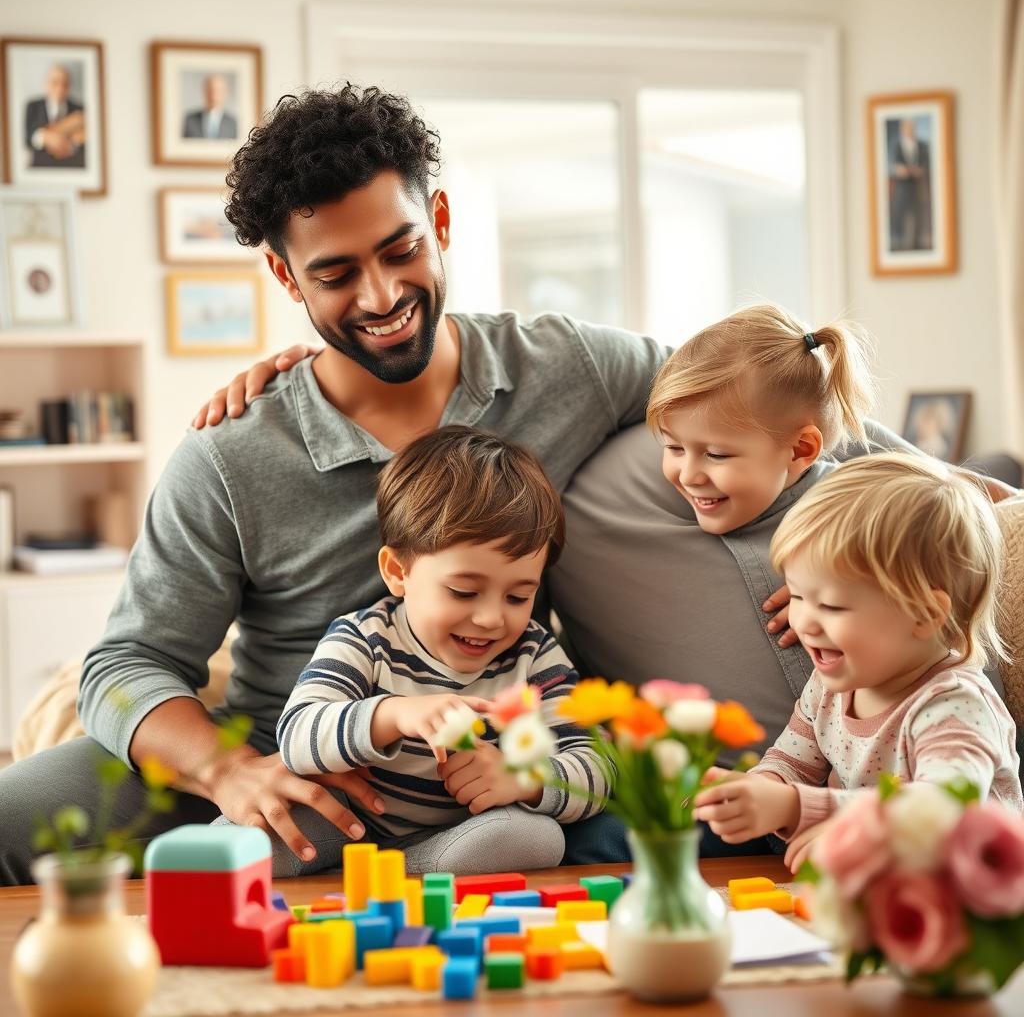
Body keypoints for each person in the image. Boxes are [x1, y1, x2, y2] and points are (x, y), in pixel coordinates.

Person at [0, 83, 663, 885]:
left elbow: (745, 388)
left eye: (400, 250)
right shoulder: (231, 452)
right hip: (284, 763)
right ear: (286, 277)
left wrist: (839, 529)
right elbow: (125, 664)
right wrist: (229, 772)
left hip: (477, 780)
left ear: (440, 222)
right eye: (336, 273)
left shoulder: (569, 369)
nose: (381, 297)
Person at [224, 425, 606, 876]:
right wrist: (393, 715)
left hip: (463, 837)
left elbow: (596, 769)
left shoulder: (535, 658)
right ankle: (362, 868)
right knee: (249, 837)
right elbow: (296, 736)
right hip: (350, 825)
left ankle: (396, 872)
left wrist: (524, 780)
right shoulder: (365, 638)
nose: (490, 618)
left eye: (518, 597)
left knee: (539, 839)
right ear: (397, 571)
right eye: (464, 592)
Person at [693, 453, 1023, 870]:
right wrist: (758, 790)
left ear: (923, 614)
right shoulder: (832, 685)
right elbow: (792, 759)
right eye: (796, 595)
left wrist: (801, 809)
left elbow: (941, 810)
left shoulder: (956, 705)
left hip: (968, 898)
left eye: (831, 605)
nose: (805, 621)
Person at [24, 64, 85, 169]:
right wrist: (46, 137)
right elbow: (28, 138)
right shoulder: (33, 106)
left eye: (64, 83)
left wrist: (69, 145)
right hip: (41, 167)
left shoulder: (80, 109)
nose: (60, 88)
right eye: (55, 82)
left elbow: (84, 141)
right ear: (46, 84)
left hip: (71, 167)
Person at [888, 117, 932, 252]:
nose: (909, 131)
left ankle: (918, 244)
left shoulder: (923, 146)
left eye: (911, 128)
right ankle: (902, 245)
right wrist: (906, 171)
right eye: (906, 128)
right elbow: (897, 168)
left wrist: (914, 171)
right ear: (902, 130)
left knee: (919, 215)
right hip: (902, 189)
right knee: (902, 216)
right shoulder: (897, 147)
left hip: (919, 188)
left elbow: (924, 167)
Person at [183, 74, 237, 140]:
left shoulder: (232, 122)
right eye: (210, 90)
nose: (213, 95)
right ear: (204, 92)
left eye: (218, 91)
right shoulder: (190, 120)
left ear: (225, 93)